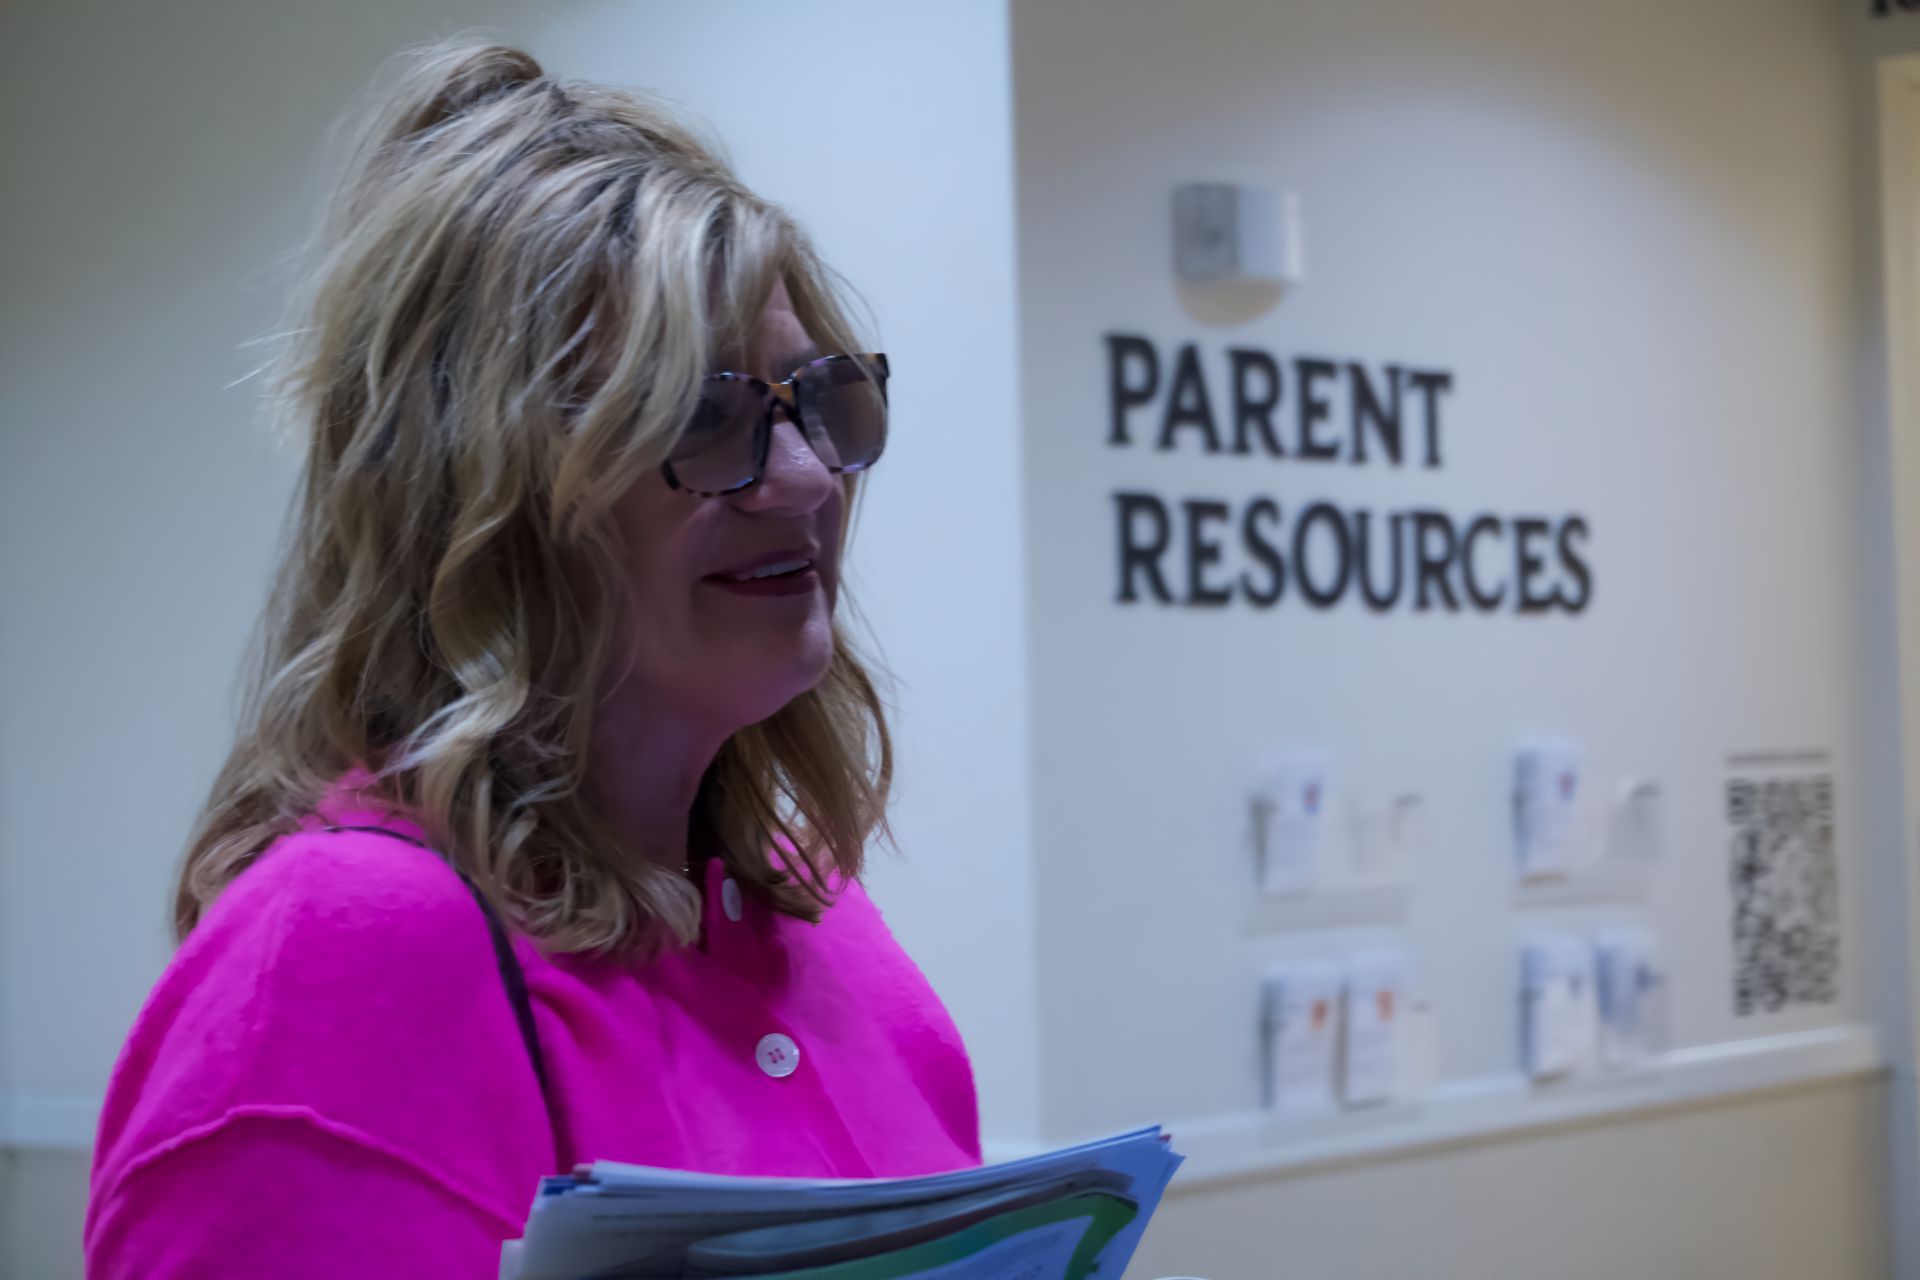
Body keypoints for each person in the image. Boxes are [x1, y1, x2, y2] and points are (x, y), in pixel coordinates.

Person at [83, 36, 979, 1277]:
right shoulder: (340, 954)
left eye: (819, 398)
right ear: (477, 500)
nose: (805, 474)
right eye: (696, 415)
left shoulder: (811, 909)